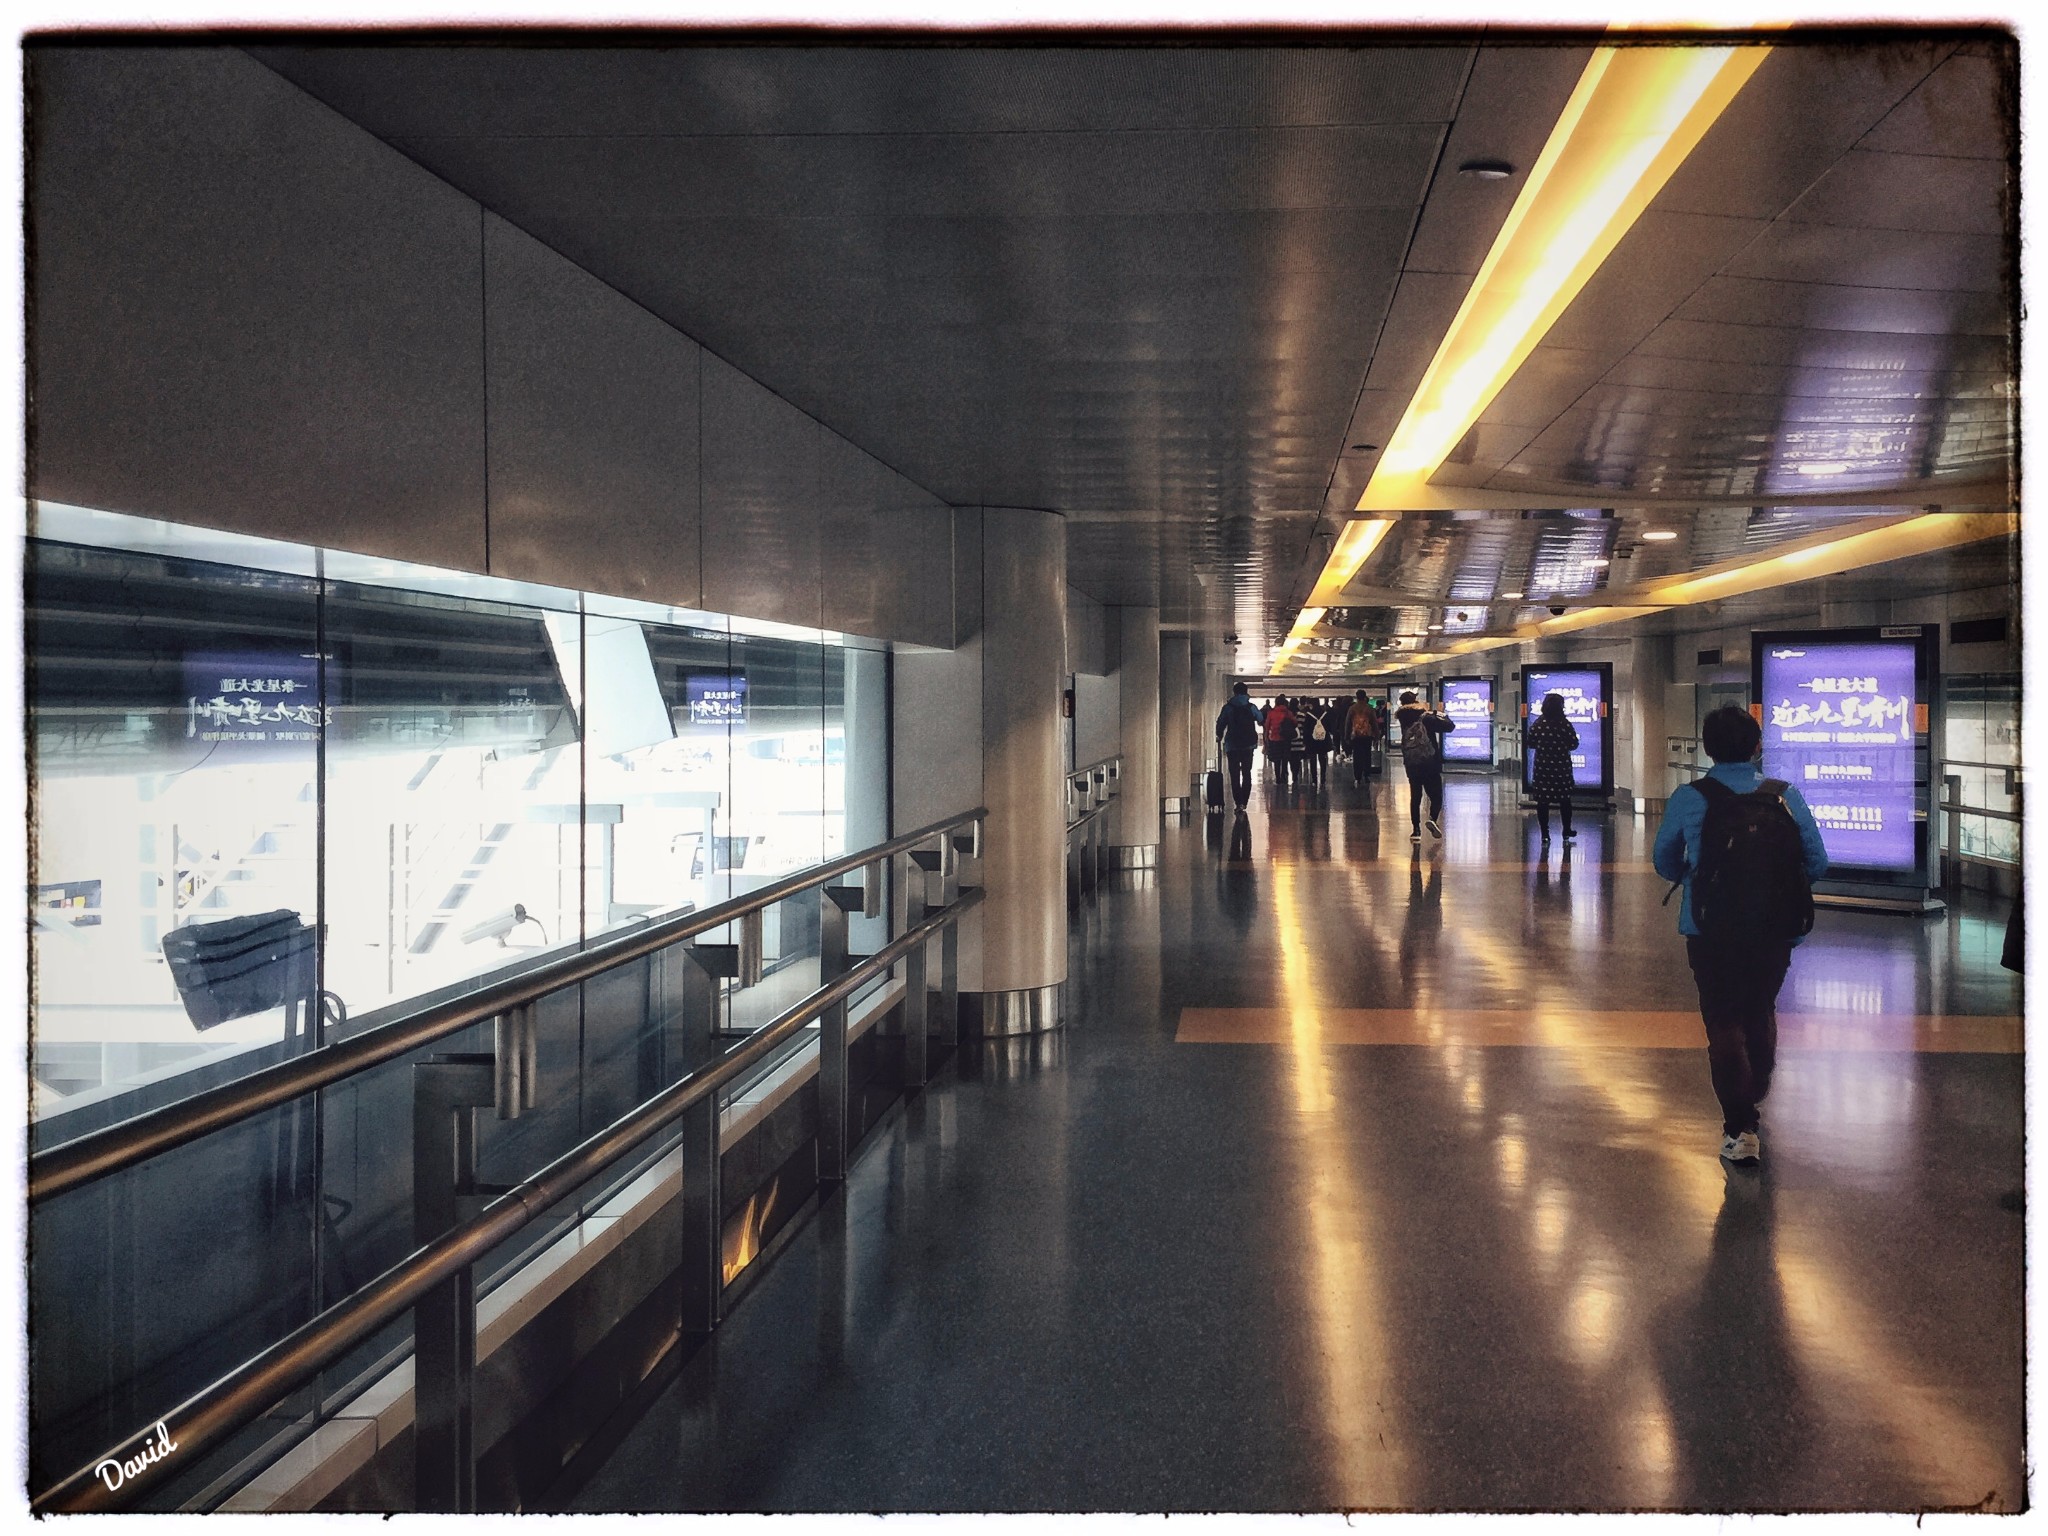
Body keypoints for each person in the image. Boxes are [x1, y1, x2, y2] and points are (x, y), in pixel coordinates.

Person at [1653, 705, 1829, 1167]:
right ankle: (1756, 1086)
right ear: (1757, 746)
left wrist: (1694, 876)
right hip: (1776, 928)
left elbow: (1664, 859)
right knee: (1760, 1007)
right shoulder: (1784, 796)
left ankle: (1739, 1127)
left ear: (1708, 749)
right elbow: (1817, 862)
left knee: (1723, 1019)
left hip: (1709, 928)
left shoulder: (1690, 797)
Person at [1394, 690, 1453, 840]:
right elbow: (1449, 726)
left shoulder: (1402, 718)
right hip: (1429, 761)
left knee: (1416, 796)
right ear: (1416, 701)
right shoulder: (1425, 717)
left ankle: (1416, 831)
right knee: (1436, 795)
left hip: (1412, 762)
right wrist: (1439, 714)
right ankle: (1432, 818)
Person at [1525, 692, 1580, 843]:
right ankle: (1566, 830)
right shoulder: (1564, 724)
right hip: (1561, 767)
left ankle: (1545, 834)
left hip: (1543, 768)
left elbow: (1530, 742)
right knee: (1565, 800)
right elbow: (1574, 744)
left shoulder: (1539, 723)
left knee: (1543, 802)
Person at [1213, 682, 1261, 812]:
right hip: (1248, 745)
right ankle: (1244, 802)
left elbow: (1221, 723)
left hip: (1232, 745)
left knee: (1234, 774)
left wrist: (1219, 735)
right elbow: (1261, 719)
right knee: (1246, 773)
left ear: (1234, 692)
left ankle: (1238, 803)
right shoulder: (1251, 707)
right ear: (1246, 692)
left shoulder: (1228, 707)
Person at [1263, 696, 1296, 789]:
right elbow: (1295, 723)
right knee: (1285, 758)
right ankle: (1284, 776)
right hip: (1286, 739)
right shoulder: (1288, 713)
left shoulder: (1271, 713)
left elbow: (1267, 726)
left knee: (1276, 759)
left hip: (1274, 739)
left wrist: (1266, 739)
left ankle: (1277, 777)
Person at [1345, 690, 1377, 786]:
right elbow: (1374, 723)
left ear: (1357, 697)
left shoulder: (1352, 708)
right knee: (1367, 755)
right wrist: (1376, 735)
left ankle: (1357, 776)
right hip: (1367, 735)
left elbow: (1348, 723)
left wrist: (1347, 736)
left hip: (1356, 735)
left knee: (1357, 756)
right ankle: (1366, 774)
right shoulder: (1369, 708)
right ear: (1365, 697)